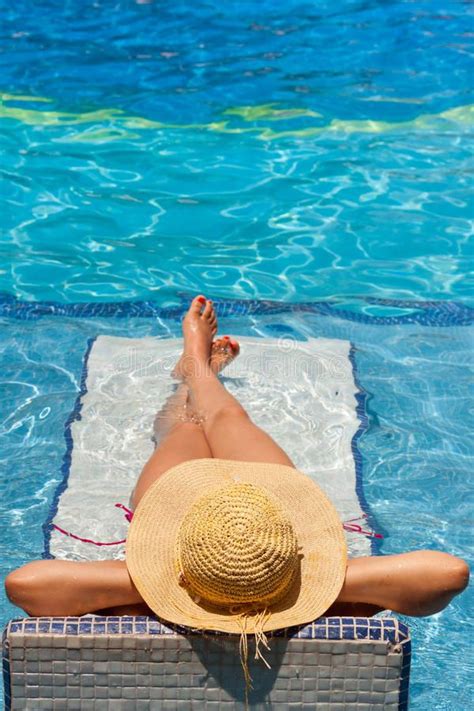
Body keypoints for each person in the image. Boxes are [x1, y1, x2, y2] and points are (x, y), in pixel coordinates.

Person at [5, 296, 469, 623]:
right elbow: (448, 573)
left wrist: (171, 578)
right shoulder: (334, 603)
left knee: (191, 424)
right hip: (263, 512)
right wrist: (289, 577)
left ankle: (194, 368)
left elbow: (25, 585)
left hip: (190, 526)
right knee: (225, 414)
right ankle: (198, 372)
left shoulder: (138, 601)